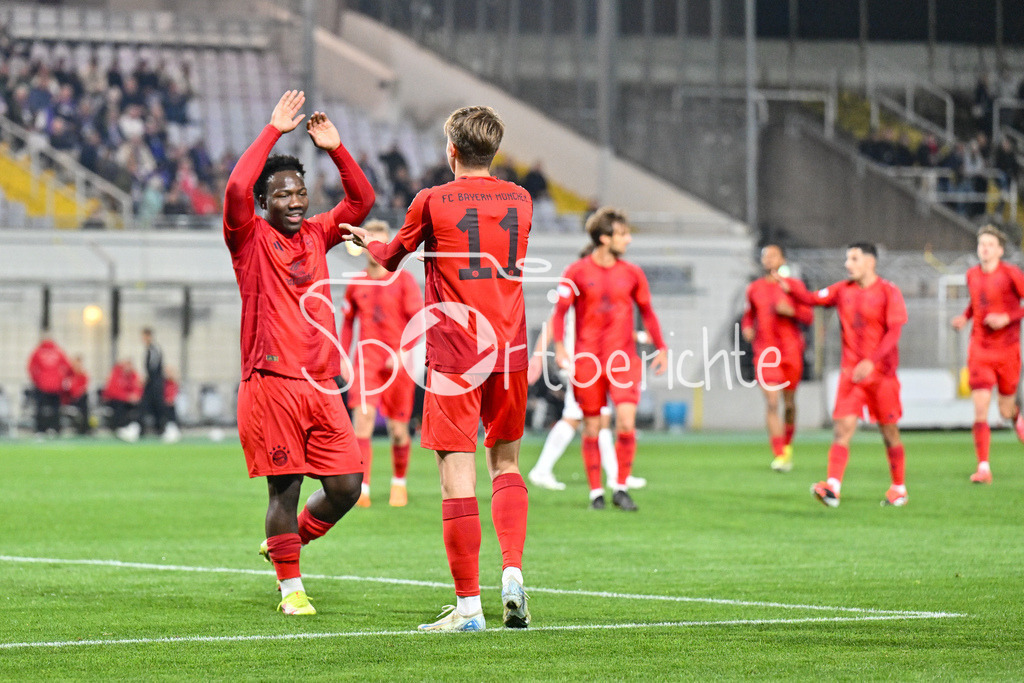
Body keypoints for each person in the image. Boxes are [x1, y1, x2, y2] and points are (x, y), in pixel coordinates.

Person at [344, 105, 532, 632]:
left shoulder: (432, 200)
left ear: (451, 150)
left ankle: (469, 607)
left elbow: (389, 258)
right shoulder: (521, 199)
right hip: (510, 350)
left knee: (456, 478)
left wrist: (364, 240)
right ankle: (512, 572)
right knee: (507, 465)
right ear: (493, 150)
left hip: (456, 353)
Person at [224, 90, 375, 616]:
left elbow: (361, 202)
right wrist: (273, 131)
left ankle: (286, 544)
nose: (294, 201)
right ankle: (291, 588)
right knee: (284, 492)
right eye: (282, 194)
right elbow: (236, 186)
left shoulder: (318, 233)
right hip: (272, 383)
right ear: (263, 203)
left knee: (347, 486)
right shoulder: (247, 238)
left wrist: (336, 150)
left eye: (300, 192)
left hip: (321, 383)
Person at [550, 207, 669, 512]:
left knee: (626, 422)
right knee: (591, 427)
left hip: (623, 361)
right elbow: (560, 313)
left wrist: (662, 347)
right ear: (604, 238)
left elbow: (648, 312)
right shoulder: (576, 272)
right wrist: (560, 348)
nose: (628, 239)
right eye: (622, 234)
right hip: (588, 362)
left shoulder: (633, 273)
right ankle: (596, 493)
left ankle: (620, 487)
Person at [782, 243, 908, 508]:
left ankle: (899, 488)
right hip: (852, 374)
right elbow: (811, 299)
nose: (847, 264)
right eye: (847, 259)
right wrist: (789, 284)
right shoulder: (842, 290)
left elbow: (894, 332)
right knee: (842, 429)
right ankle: (833, 488)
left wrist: (872, 361)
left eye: (854, 259)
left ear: (870, 262)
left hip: (882, 375)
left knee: (889, 432)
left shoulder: (889, 291)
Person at [338, 219, 422, 508]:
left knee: (398, 430)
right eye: (371, 242)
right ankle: (362, 488)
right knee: (362, 422)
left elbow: (418, 323)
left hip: (398, 364)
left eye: (382, 242)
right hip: (367, 362)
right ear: (363, 246)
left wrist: (402, 351)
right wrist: (343, 355)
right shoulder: (356, 283)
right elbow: (347, 324)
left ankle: (399, 483)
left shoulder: (404, 281)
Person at [526, 305, 647, 491]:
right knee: (582, 418)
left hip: (591, 364)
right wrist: (537, 357)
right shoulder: (575, 300)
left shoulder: (587, 298)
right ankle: (542, 471)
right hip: (583, 366)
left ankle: (616, 476)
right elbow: (553, 326)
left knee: (593, 419)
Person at [951, 226, 1024, 484]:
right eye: (982, 243)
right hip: (980, 349)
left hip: (1008, 351)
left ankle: (1015, 416)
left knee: (1004, 410)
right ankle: (983, 467)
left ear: (1000, 250)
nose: (985, 248)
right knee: (980, 408)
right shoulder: (971, 274)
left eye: (990, 244)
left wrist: (1007, 317)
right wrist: (965, 317)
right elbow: (975, 303)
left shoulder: (1011, 274)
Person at [741, 245, 813, 472]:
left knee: (789, 404)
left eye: (773, 255)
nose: (769, 259)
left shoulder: (794, 286)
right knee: (772, 402)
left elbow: (809, 316)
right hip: (765, 352)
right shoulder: (754, 288)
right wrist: (747, 328)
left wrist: (792, 311)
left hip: (791, 351)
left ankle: (787, 445)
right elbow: (749, 315)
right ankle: (780, 453)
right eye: (765, 256)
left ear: (782, 259)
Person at [27, 334, 72, 436]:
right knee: (56, 409)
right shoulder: (58, 352)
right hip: (56, 386)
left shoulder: (38, 352)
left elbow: (31, 368)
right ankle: (55, 429)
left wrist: (37, 380)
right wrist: (61, 379)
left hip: (42, 386)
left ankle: (40, 430)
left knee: (40, 408)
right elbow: (68, 367)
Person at [103, 358, 142, 437]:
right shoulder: (116, 374)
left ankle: (136, 427)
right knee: (120, 405)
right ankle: (121, 428)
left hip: (128, 401)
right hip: (114, 400)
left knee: (141, 405)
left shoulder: (133, 375)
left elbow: (137, 388)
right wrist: (126, 397)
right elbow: (112, 391)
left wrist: (135, 396)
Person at [139, 327, 165, 436]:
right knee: (146, 406)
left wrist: (148, 378)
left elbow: (153, 367)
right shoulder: (150, 349)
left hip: (155, 383)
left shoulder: (153, 349)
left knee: (157, 406)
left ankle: (162, 429)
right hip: (152, 382)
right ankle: (143, 429)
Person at [62, 355, 91, 435]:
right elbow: (67, 388)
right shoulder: (68, 375)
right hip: (69, 399)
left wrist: (77, 393)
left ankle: (84, 428)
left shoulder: (83, 375)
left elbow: (82, 388)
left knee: (84, 398)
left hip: (79, 399)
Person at [162, 367, 181, 444]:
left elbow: (175, 393)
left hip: (171, 403)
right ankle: (168, 430)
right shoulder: (163, 383)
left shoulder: (173, 383)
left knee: (172, 413)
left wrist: (171, 399)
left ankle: (174, 430)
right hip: (165, 403)